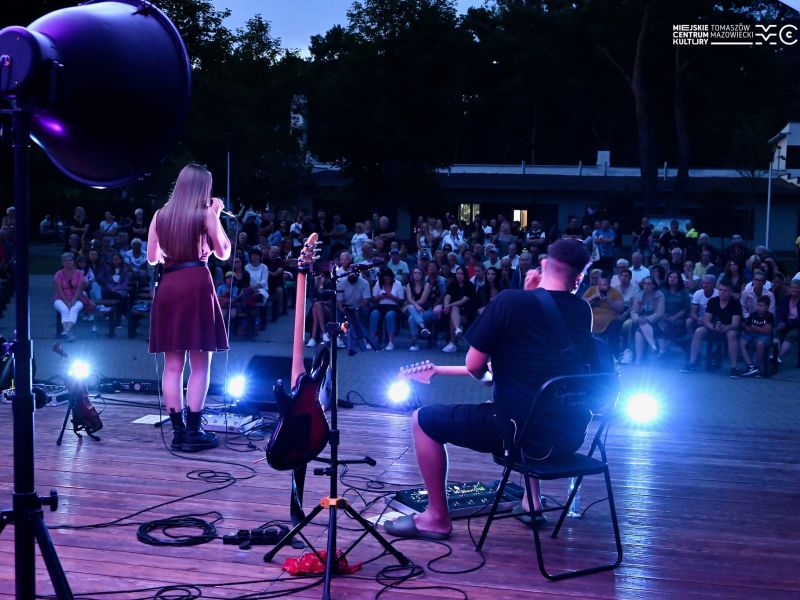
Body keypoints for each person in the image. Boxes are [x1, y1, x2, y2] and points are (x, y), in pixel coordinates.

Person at [384, 239, 599, 541]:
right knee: (529, 404)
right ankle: (531, 502)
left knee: (423, 419)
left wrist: (527, 294)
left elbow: (474, 366)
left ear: (544, 264)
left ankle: (435, 518)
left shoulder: (509, 301)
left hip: (519, 437)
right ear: (580, 277)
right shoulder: (582, 310)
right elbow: (539, 350)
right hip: (567, 437)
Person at [147, 163, 231, 453]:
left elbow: (151, 257)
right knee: (200, 362)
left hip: (169, 285)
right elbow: (224, 251)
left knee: (173, 364)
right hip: (196, 284)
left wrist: (173, 251)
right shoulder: (205, 213)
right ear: (202, 188)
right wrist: (216, 216)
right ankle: (194, 431)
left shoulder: (160, 215)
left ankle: (178, 432)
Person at [681, 280, 742, 377]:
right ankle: (692, 363)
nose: (722, 292)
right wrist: (714, 327)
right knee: (698, 331)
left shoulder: (735, 303)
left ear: (730, 292)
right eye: (720, 290)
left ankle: (734, 367)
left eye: (725, 291)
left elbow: (735, 323)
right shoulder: (713, 301)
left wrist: (725, 328)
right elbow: (706, 320)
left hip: (728, 328)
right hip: (714, 327)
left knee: (732, 334)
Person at [630, 276, 665, 364]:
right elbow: (634, 311)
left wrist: (648, 319)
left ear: (653, 286)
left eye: (649, 284)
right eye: (644, 283)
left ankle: (639, 359)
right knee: (640, 326)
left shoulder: (659, 295)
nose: (646, 286)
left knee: (639, 330)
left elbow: (660, 313)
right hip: (641, 320)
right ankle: (653, 346)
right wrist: (637, 319)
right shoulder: (639, 295)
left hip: (656, 320)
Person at [442, 266, 475, 352]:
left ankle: (453, 343)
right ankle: (457, 329)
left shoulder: (470, 285)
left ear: (465, 275)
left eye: (461, 273)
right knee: (454, 309)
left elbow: (464, 300)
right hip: (454, 311)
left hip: (466, 313)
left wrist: (448, 306)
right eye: (458, 273)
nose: (459, 275)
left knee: (453, 315)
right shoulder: (452, 284)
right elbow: (447, 297)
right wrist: (446, 306)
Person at [369, 268, 404, 351]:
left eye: (388, 279)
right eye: (385, 279)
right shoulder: (378, 283)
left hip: (393, 306)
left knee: (389, 316)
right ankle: (371, 340)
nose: (387, 280)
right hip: (380, 305)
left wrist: (391, 297)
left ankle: (390, 341)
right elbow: (374, 299)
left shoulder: (397, 284)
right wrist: (381, 296)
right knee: (374, 314)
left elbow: (401, 300)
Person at [53, 252, 85, 342]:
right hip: (60, 298)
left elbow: (79, 289)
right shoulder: (58, 274)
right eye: (65, 261)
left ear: (73, 262)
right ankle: (68, 332)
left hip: (77, 298)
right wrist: (66, 302)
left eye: (70, 260)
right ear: (62, 263)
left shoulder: (79, 273)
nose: (68, 262)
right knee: (65, 310)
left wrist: (73, 301)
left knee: (74, 309)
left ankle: (67, 331)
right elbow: (59, 290)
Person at [739, 296, 773, 377]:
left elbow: (767, 331)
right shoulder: (753, 314)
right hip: (751, 334)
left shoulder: (769, 316)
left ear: (767, 307)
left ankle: (757, 368)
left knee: (760, 343)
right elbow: (747, 328)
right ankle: (750, 366)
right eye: (758, 305)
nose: (759, 307)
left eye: (761, 306)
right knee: (741, 341)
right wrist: (760, 329)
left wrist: (754, 327)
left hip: (765, 337)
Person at [404, 266, 433, 351]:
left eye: (419, 273)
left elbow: (423, 300)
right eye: (415, 273)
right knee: (411, 307)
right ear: (412, 275)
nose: (417, 275)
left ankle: (414, 342)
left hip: (426, 310)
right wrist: (416, 306)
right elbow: (409, 298)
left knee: (411, 318)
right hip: (415, 310)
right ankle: (423, 327)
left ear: (422, 275)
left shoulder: (426, 285)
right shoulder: (409, 285)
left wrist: (413, 306)